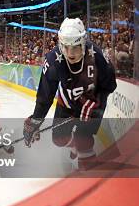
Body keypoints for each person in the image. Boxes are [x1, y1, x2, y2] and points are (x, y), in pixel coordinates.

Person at [23, 17, 117, 167]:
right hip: (67, 101)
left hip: (92, 103)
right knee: (58, 139)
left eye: (75, 47)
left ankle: (86, 159)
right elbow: (45, 96)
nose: (70, 53)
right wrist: (36, 120)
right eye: (65, 47)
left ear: (83, 43)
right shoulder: (53, 60)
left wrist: (94, 102)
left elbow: (110, 84)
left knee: (83, 138)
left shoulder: (97, 56)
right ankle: (76, 147)